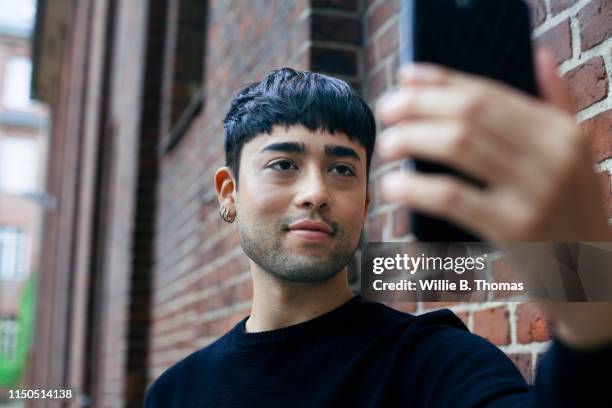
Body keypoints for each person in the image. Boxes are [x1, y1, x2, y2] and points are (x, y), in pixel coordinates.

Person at [144, 50, 612, 407]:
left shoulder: (430, 363)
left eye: (342, 170)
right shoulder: (174, 393)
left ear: (366, 200)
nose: (316, 192)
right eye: (284, 164)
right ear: (229, 192)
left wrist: (586, 296)